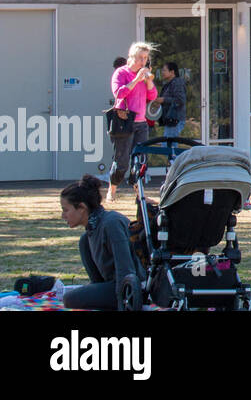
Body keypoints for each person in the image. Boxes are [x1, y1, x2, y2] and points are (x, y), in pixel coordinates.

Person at [60, 175, 141, 310]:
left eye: (66, 210)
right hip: (113, 286)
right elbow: (98, 280)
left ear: (81, 207)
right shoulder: (89, 235)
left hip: (133, 287)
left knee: (70, 299)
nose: (63, 216)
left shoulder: (111, 223)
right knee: (83, 242)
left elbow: (126, 270)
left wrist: (125, 304)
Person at [107, 42, 157, 202]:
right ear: (132, 57)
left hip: (141, 123)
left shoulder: (145, 76)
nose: (143, 62)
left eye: (146, 58)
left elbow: (153, 96)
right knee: (122, 161)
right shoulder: (121, 73)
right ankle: (112, 189)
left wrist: (148, 81)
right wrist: (136, 79)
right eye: (141, 58)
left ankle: (139, 194)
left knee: (141, 160)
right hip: (124, 122)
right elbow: (119, 93)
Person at [156, 62, 187, 157]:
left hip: (174, 119)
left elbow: (180, 100)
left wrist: (164, 100)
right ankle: (172, 166)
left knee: (170, 147)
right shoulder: (169, 84)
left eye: (164, 70)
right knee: (168, 146)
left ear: (172, 72)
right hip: (171, 120)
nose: (162, 72)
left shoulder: (177, 82)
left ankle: (174, 167)